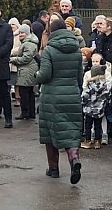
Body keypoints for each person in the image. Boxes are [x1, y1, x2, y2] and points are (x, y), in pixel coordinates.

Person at [36, 18, 84, 184]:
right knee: (69, 131)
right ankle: (74, 158)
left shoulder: (49, 50)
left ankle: (54, 169)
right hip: (72, 94)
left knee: (50, 132)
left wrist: (36, 76)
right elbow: (80, 76)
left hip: (52, 96)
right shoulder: (77, 50)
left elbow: (45, 75)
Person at [9, 24, 39, 120]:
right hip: (29, 71)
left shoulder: (28, 43)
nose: (20, 34)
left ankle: (25, 113)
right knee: (30, 93)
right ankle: (30, 113)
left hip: (26, 71)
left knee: (24, 93)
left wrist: (13, 59)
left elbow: (26, 58)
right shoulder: (30, 42)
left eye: (22, 33)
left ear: (26, 33)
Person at [81, 63, 110, 150]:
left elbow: (85, 96)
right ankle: (97, 141)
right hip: (100, 109)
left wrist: (83, 102)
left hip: (89, 109)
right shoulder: (104, 85)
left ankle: (88, 140)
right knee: (98, 125)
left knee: (88, 125)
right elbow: (107, 97)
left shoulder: (90, 84)